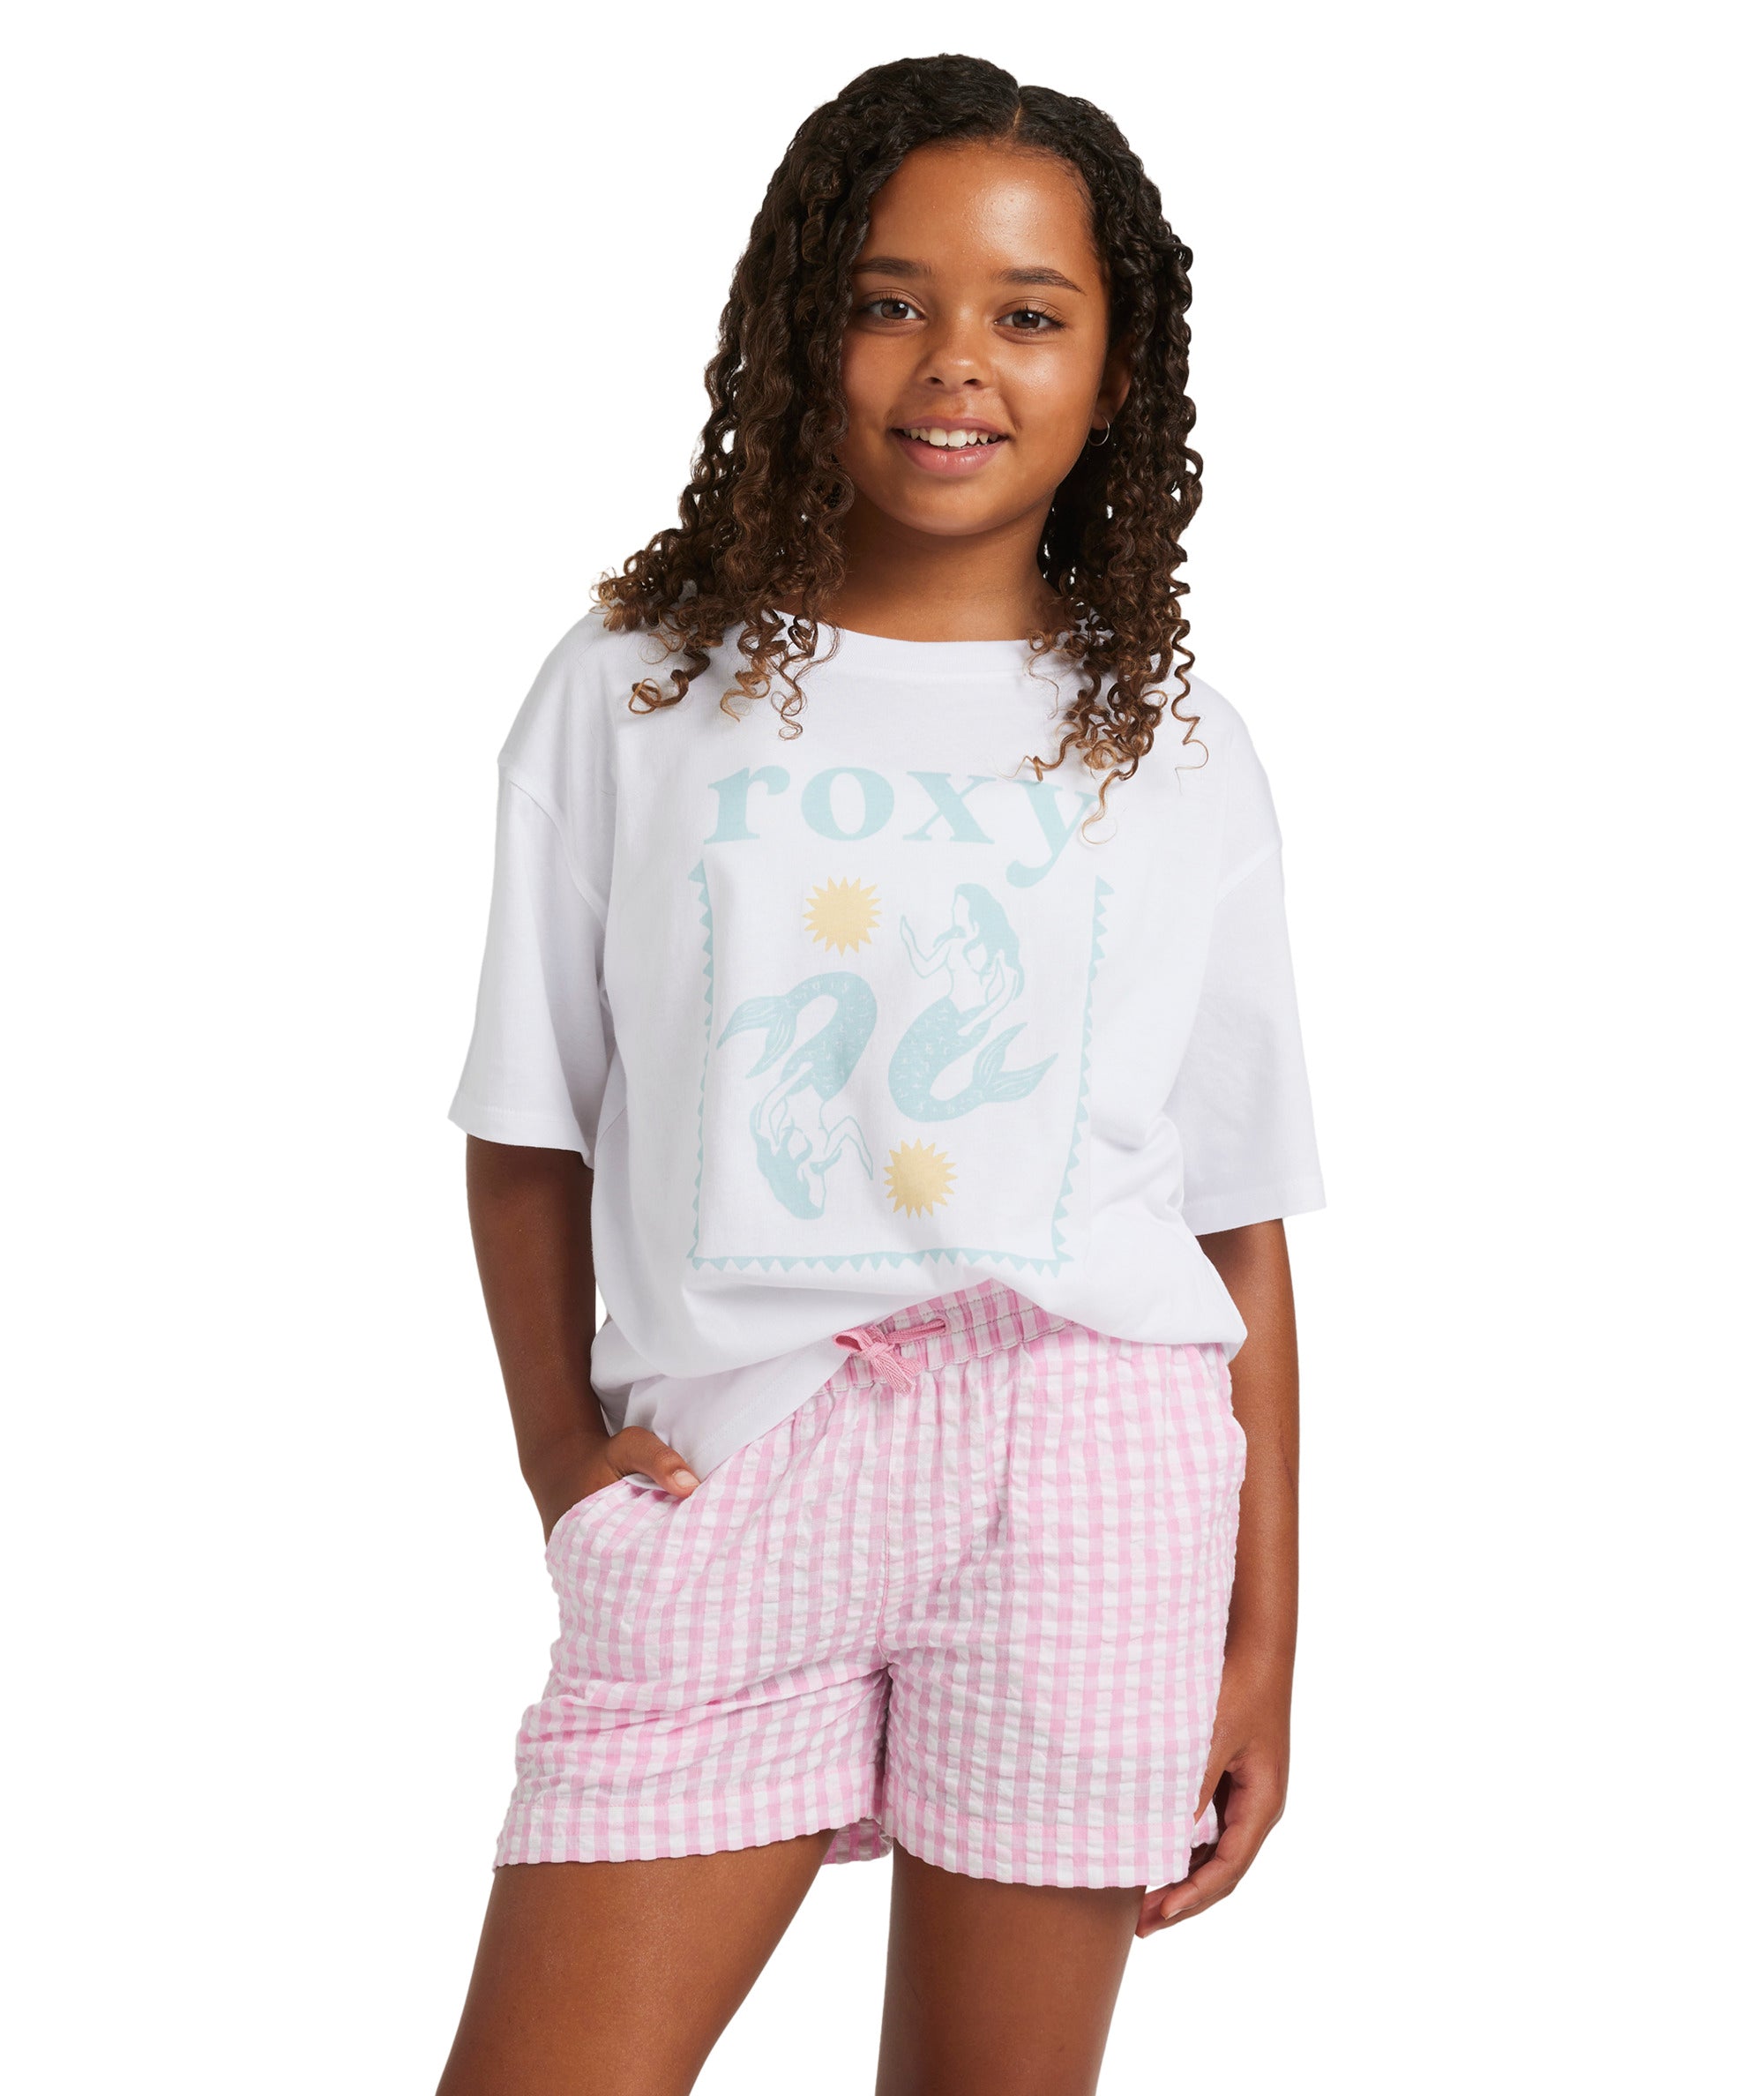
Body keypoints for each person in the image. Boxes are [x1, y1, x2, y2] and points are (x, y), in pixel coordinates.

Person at [437, 52, 1323, 2096]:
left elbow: (1229, 1216)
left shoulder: (1172, 743)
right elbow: (526, 1124)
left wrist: (1265, 1639)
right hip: (735, 1468)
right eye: (887, 299)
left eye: (1030, 312)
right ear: (797, 326)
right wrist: (561, 1459)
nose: (955, 363)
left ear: (1117, 370)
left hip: (1087, 1470)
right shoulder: (638, 686)